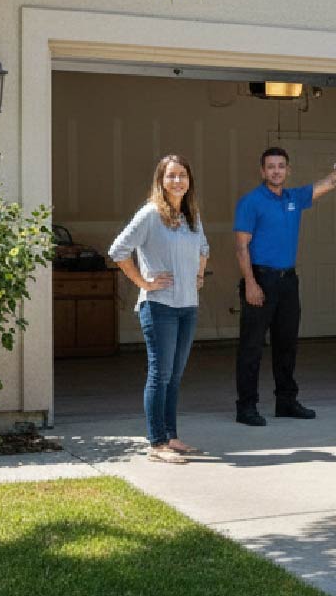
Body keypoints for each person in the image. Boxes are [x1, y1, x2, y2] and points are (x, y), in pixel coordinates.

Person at [233, 146, 336, 426]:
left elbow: (330, 182)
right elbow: (241, 247)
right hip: (260, 278)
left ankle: (285, 401)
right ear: (263, 171)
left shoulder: (294, 198)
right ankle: (246, 407)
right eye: (271, 166)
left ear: (288, 170)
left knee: (286, 344)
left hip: (288, 281)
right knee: (251, 347)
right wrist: (250, 283)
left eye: (281, 166)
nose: (276, 171)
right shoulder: (251, 202)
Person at [108, 155, 209, 465]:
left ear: (189, 181)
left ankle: (171, 437)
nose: (177, 181)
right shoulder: (151, 214)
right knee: (160, 374)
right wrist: (143, 281)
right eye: (171, 176)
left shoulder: (192, 215)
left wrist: (199, 274)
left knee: (174, 376)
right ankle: (156, 442)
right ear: (161, 181)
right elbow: (118, 250)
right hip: (159, 306)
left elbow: (204, 248)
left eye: (182, 175)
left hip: (187, 306)